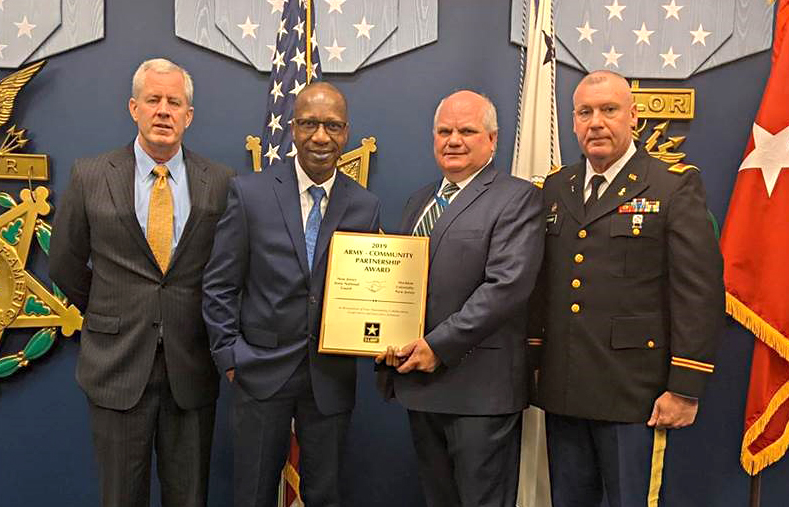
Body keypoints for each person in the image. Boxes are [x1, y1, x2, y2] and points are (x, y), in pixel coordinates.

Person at [531, 70, 725, 506]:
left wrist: (685, 385)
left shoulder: (672, 186)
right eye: (585, 112)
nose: (595, 122)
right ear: (574, 121)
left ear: (633, 116)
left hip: (635, 392)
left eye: (608, 110)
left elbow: (699, 292)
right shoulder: (558, 187)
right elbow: (543, 284)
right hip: (565, 385)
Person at [49, 58, 234, 507]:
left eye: (175, 102)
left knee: (189, 497)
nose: (163, 111)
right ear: (134, 108)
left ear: (189, 115)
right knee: (120, 498)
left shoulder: (221, 183)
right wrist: (110, 310)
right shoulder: (90, 176)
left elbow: (227, 272)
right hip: (116, 365)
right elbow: (64, 263)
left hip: (190, 367)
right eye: (153, 100)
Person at [202, 82, 381, 507]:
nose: (321, 136)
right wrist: (230, 356)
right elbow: (219, 283)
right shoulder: (250, 193)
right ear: (294, 128)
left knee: (325, 495)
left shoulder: (365, 204)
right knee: (253, 494)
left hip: (331, 376)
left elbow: (371, 286)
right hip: (259, 370)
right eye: (309, 124)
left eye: (333, 126)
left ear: (347, 132)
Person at [376, 90, 544, 507]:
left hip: (479, 393)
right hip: (420, 381)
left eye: (467, 131)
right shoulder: (420, 201)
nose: (454, 140)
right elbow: (404, 286)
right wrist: (384, 332)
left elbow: (506, 287)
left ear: (492, 140)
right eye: (444, 131)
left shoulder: (517, 197)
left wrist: (438, 345)